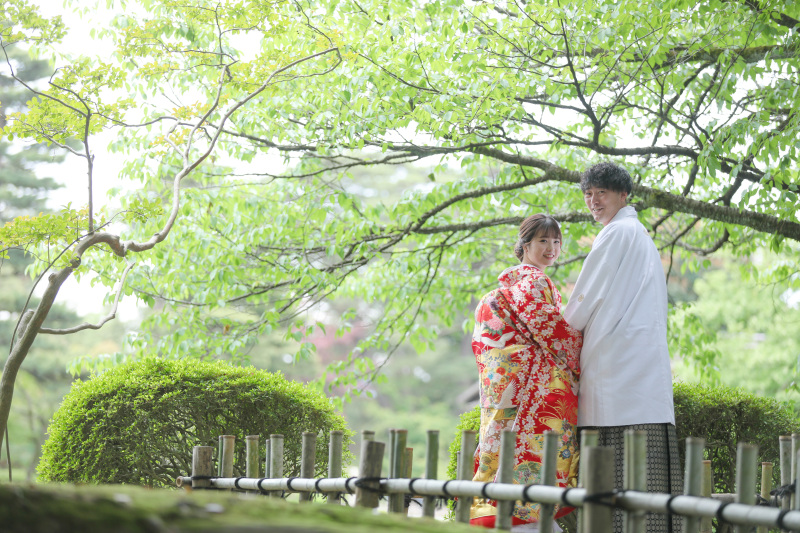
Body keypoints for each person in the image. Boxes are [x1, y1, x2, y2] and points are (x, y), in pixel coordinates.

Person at [562, 162, 681, 533]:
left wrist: (559, 328)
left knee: (612, 474)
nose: (593, 201)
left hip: (615, 363)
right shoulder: (641, 235)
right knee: (650, 478)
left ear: (623, 195)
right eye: (588, 194)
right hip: (642, 364)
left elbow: (583, 300)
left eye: (602, 193)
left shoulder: (616, 234)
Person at [470, 214, 583, 530]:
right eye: (543, 241)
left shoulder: (506, 287)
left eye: (556, 241)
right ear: (525, 244)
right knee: (532, 459)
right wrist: (585, 353)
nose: (552, 248)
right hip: (531, 390)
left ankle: (507, 515)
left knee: (505, 453)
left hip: (509, 389)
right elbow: (557, 335)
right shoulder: (535, 281)